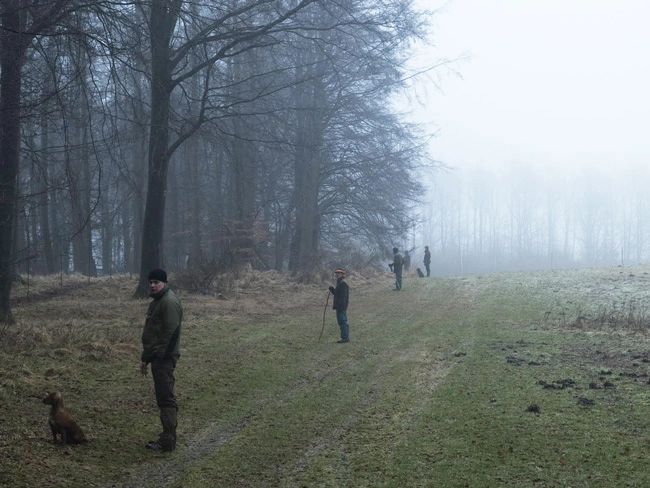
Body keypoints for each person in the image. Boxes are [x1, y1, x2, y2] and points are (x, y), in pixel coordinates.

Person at [140, 268, 183, 452]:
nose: (153, 285)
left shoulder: (168, 302)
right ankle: (167, 437)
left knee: (166, 398)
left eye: (156, 282)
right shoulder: (157, 302)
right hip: (158, 358)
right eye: (150, 282)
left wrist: (159, 355)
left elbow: (170, 333)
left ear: (164, 283)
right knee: (163, 396)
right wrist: (146, 359)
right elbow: (153, 333)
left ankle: (168, 440)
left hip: (164, 359)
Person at [328, 268, 350, 343]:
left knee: (342, 321)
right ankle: (345, 337)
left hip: (341, 307)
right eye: (336, 273)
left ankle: (345, 338)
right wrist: (332, 290)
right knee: (342, 321)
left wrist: (340, 306)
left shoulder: (343, 283)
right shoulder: (340, 283)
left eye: (338, 273)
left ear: (342, 274)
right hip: (340, 306)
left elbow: (344, 296)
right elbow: (337, 295)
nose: (337, 275)